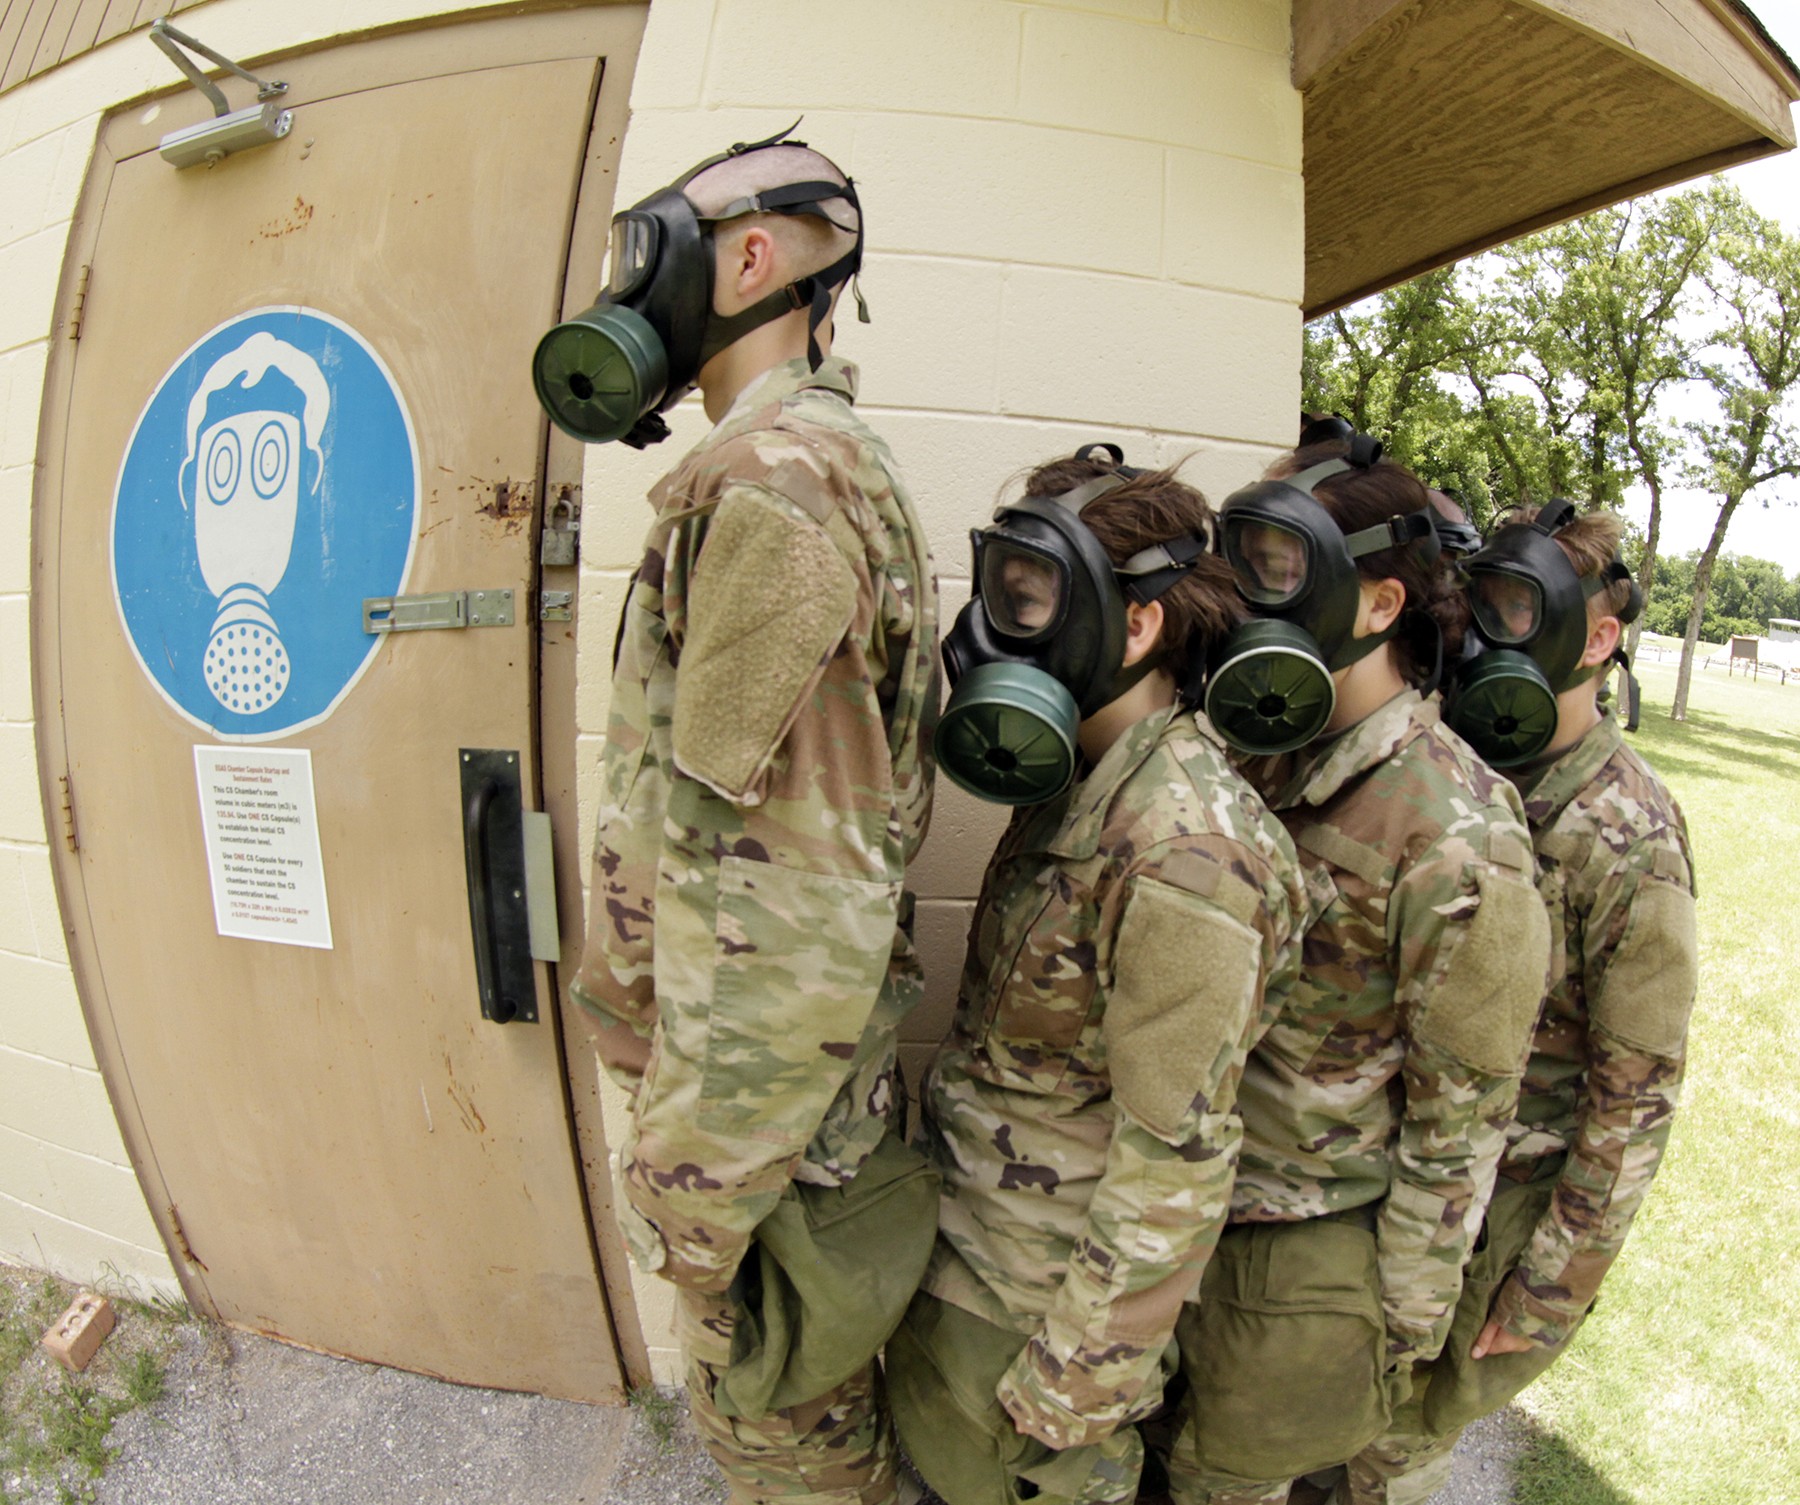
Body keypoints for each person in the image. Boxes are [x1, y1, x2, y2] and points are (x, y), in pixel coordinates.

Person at [559, 130, 939, 1505]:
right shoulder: (789, 469)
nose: (632, 287)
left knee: (793, 1461)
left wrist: (695, 1202)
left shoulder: (776, 486)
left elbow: (786, 902)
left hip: (761, 1146)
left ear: (757, 259)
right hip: (766, 1119)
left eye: (651, 251)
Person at [886, 450, 1308, 1505]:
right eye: (1001, 599)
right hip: (967, 1277)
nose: (993, 635)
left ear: (1135, 626)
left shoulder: (1187, 851)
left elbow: (1178, 1153)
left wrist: (1071, 1389)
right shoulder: (1083, 783)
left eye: (1029, 606)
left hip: (1034, 1339)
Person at [1162, 440, 1552, 1505]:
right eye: (1242, 567)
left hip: (1294, 1262)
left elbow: (1463, 1114)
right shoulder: (1244, 757)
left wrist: (1402, 1328)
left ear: (1379, 600)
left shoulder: (1460, 833)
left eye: (1283, 570)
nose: (1249, 600)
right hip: (1170, 1221)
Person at [1339, 505, 1697, 1505]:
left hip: (1497, 1214)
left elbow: (1637, 1097)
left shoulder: (1630, 835)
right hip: (1393, 1181)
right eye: (1480, 605)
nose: (1492, 634)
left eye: (1521, 609)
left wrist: (1546, 1290)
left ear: (1597, 637)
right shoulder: (1450, 769)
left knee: (1393, 1453)